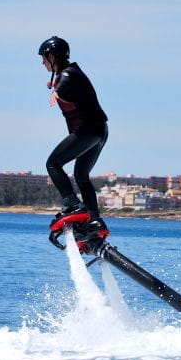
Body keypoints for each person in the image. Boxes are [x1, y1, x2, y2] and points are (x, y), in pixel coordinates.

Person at [38, 36, 109, 240]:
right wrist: (55, 84)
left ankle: (73, 205)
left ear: (52, 56)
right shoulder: (68, 73)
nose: (43, 62)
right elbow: (67, 81)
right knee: (81, 175)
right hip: (100, 132)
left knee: (53, 163)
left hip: (88, 131)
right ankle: (94, 220)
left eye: (44, 58)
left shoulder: (68, 76)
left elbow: (67, 81)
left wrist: (56, 91)